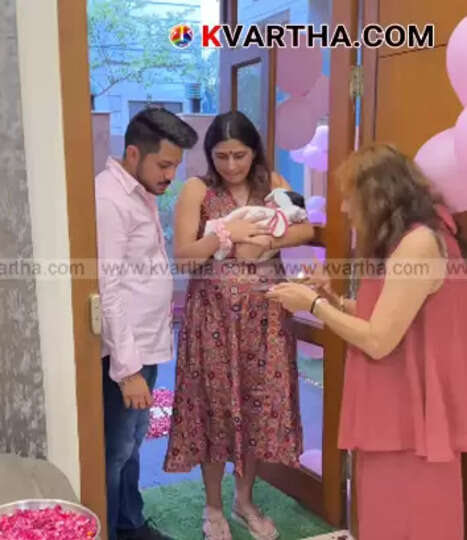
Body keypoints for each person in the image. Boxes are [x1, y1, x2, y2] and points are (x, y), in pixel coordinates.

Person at [266, 144, 467, 540]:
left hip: (407, 419)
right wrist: (335, 300)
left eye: (350, 198)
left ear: (378, 195)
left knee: (405, 522)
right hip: (400, 411)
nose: (343, 209)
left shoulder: (420, 243)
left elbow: (379, 340)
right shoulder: (415, 238)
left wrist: (313, 304)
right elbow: (394, 316)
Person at [162, 111, 315, 540]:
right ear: (210, 155)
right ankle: (213, 506)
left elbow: (305, 231)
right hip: (212, 320)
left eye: (240, 155)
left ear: (254, 152)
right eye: (222, 156)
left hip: (265, 320)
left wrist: (265, 240)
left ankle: (243, 500)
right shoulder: (198, 189)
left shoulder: (276, 183)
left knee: (255, 408)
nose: (231, 165)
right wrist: (229, 235)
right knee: (214, 409)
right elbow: (186, 256)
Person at [95, 106, 198, 540]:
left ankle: (130, 522)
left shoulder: (140, 193)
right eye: (164, 164)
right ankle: (113, 531)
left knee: (134, 443)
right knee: (116, 450)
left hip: (148, 345)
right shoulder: (110, 199)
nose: (170, 174)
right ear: (134, 154)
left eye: (175, 165)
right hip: (126, 354)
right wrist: (128, 369)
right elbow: (109, 288)